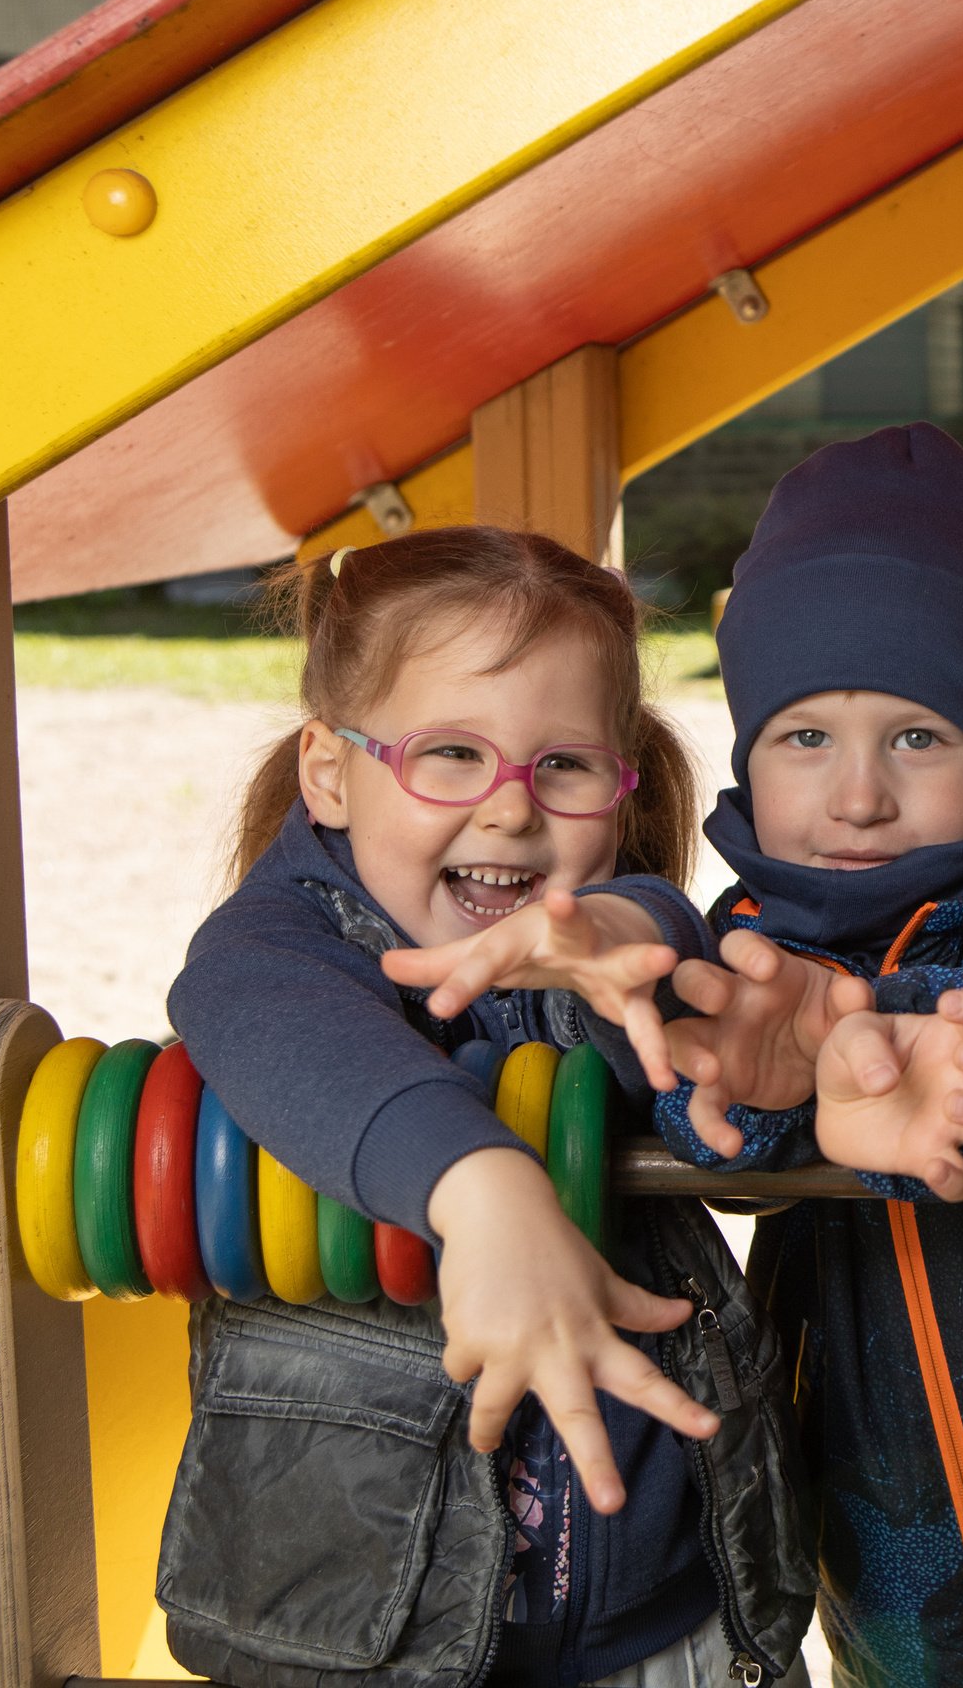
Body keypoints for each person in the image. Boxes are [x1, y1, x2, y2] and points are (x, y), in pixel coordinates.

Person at [389, 427, 963, 1688]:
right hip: (880, 1520)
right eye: (806, 736)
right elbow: (719, 1122)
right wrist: (741, 1084)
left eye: (919, 735)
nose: (857, 795)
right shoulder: (751, 940)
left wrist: (895, 1026)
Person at [162, 526, 812, 1688]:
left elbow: (658, 944)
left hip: (669, 1619)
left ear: (621, 782)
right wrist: (485, 1187)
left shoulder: (600, 940)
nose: (510, 811)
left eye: (563, 766)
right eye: (450, 753)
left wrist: (635, 928)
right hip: (365, 1642)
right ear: (330, 772)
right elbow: (281, 1027)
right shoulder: (271, 952)